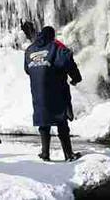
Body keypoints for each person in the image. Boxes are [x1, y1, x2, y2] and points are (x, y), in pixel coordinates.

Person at [24, 26, 82, 162]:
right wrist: (76, 78)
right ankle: (68, 155)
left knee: (44, 121)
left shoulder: (30, 49)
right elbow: (67, 60)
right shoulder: (55, 46)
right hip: (55, 88)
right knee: (61, 120)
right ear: (52, 35)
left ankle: (45, 154)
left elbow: (27, 69)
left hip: (37, 91)